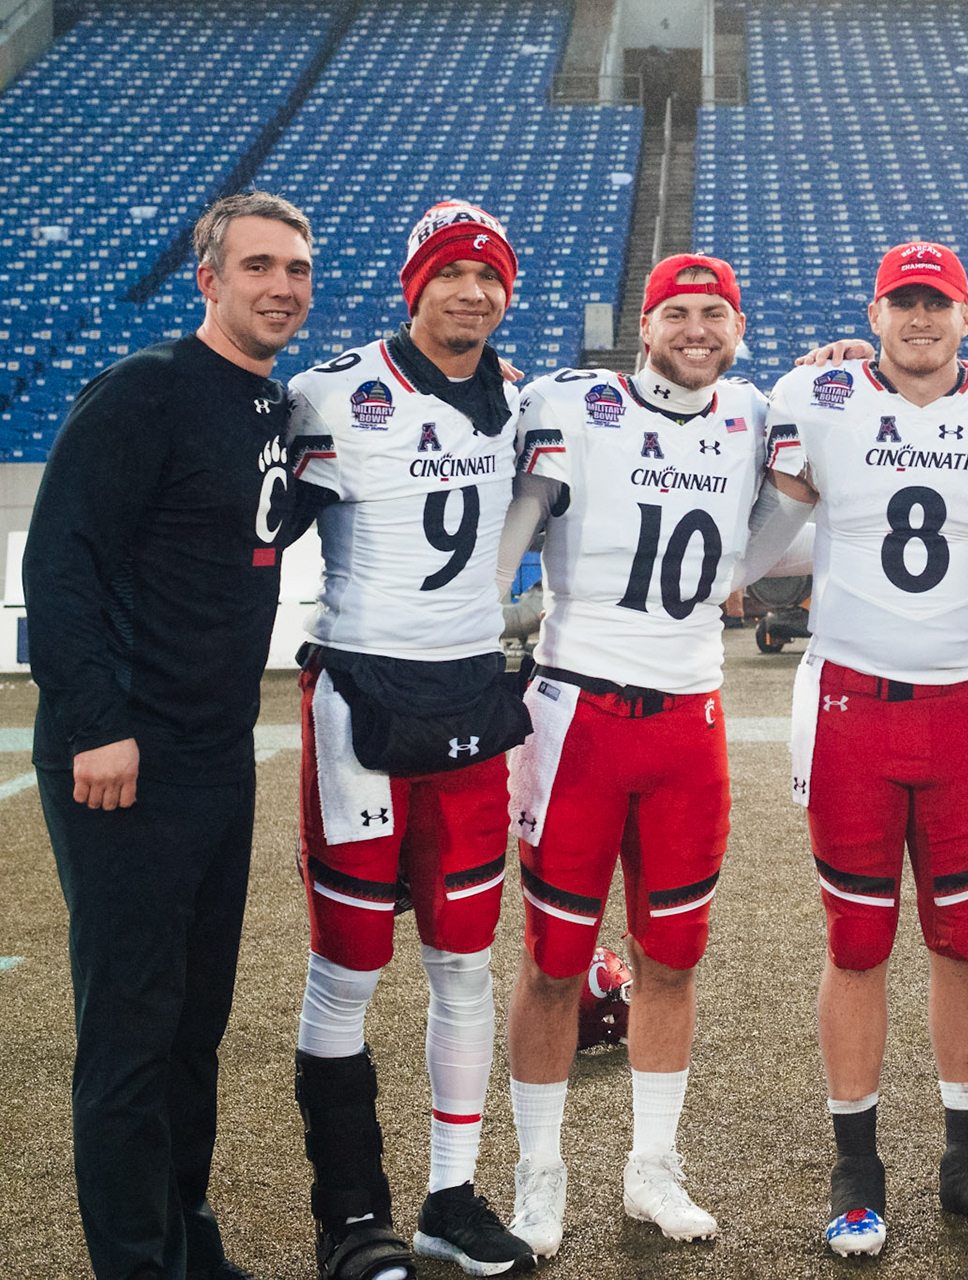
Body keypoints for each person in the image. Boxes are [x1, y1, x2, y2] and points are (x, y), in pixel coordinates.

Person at [497, 252, 810, 1258]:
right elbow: (512, 522)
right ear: (645, 324)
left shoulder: (754, 413)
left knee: (671, 959)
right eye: (678, 311)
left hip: (689, 719)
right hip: (577, 713)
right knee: (553, 961)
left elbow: (782, 519)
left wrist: (838, 366)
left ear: (739, 327)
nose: (696, 328)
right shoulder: (574, 402)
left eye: (715, 312)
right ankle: (539, 1172)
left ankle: (653, 1165)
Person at [25, 190, 311, 1280]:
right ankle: (135, 1266)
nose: (281, 286)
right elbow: (60, 562)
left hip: (216, 755)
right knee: (132, 1032)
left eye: (296, 269)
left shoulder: (272, 408)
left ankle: (187, 1246)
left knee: (195, 1029)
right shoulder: (144, 389)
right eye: (258, 267)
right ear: (209, 280)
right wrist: (97, 723)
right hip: (126, 759)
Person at [765, 241, 968, 1257]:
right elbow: (763, 505)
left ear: (967, 314)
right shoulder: (819, 394)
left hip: (964, 708)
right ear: (876, 312)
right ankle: (857, 1168)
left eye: (937, 302)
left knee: (965, 938)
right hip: (853, 704)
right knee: (857, 942)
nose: (920, 318)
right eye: (903, 302)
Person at [283, 200, 535, 1279]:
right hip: (361, 705)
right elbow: (251, 535)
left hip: (473, 701)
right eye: (450, 275)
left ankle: (449, 1199)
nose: (471, 292)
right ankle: (350, 1214)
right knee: (347, 967)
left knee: (465, 964)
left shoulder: (522, 400)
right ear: (414, 286)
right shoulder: (331, 393)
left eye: (490, 278)